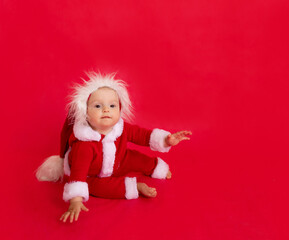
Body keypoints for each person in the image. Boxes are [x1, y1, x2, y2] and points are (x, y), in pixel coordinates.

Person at [36, 72, 192, 223]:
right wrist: (75, 200)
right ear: (85, 112)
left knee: (136, 158)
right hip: (92, 175)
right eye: (97, 106)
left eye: (112, 105)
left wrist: (167, 140)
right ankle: (135, 187)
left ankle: (155, 167)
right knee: (99, 187)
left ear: (119, 109)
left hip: (119, 161)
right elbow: (78, 173)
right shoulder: (83, 144)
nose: (106, 110)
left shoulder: (121, 128)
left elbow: (144, 136)